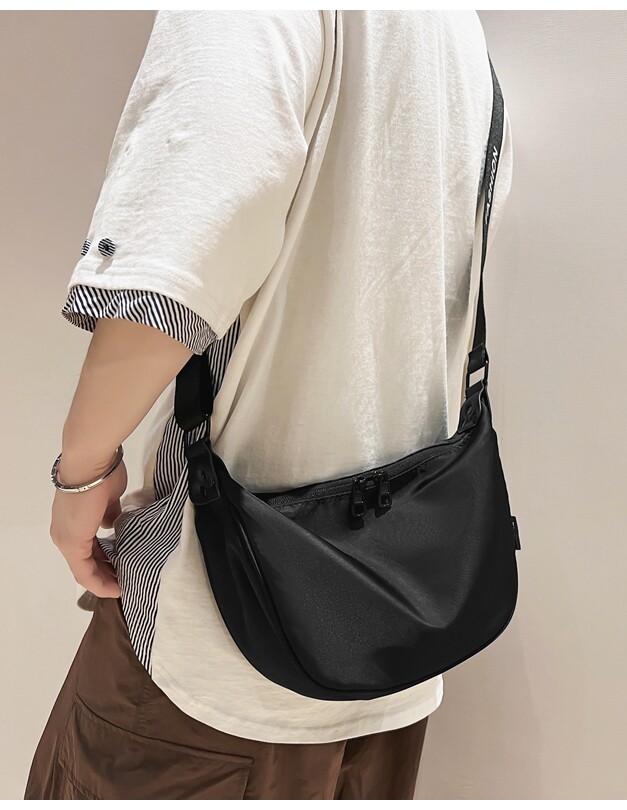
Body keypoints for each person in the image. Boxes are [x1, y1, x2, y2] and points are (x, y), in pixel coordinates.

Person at [25, 9, 513, 800]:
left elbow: (178, 263)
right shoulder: (456, 28)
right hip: (399, 650)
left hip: (215, 660)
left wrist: (81, 473)